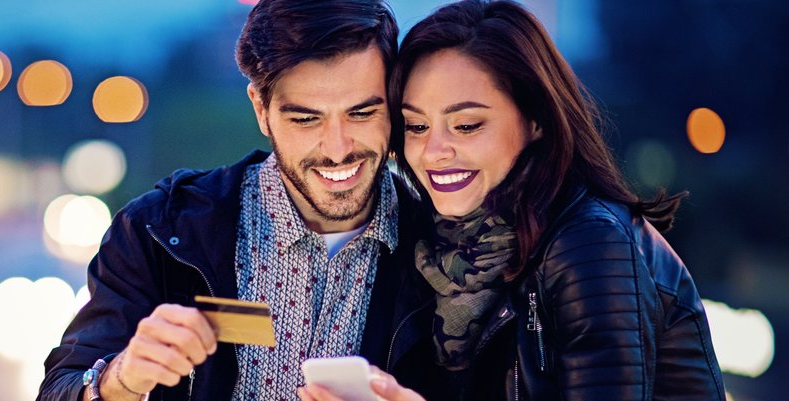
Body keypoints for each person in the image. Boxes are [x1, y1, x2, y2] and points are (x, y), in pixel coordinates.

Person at [304, 1, 727, 400]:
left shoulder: (590, 247)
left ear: (536, 120)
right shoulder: (433, 252)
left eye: (466, 125)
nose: (433, 151)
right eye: (416, 126)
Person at [37, 1, 443, 400]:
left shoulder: (452, 249)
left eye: (361, 114)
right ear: (261, 109)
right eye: (306, 119)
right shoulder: (158, 230)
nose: (337, 149)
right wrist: (121, 380)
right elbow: (60, 389)